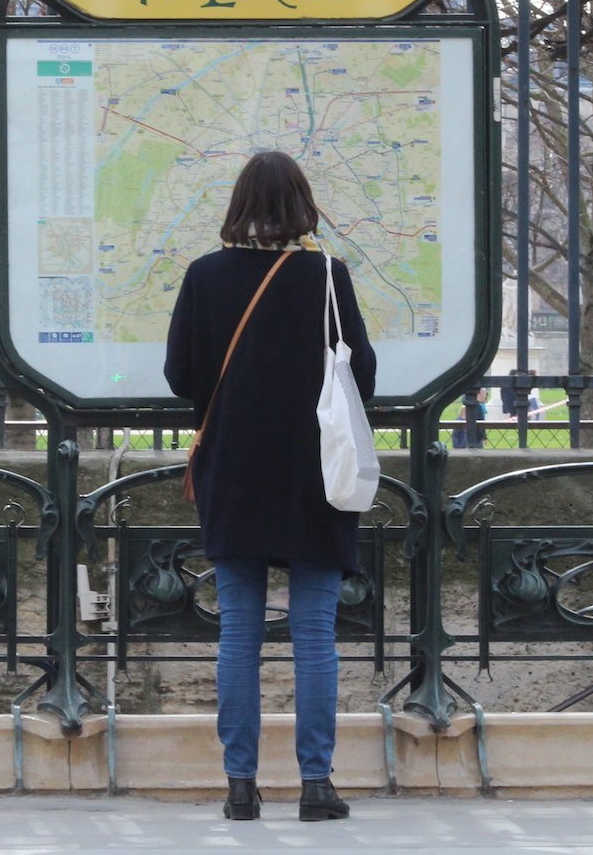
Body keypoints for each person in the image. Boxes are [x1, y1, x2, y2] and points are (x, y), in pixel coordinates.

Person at [163, 150, 375, 824]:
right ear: (302, 205)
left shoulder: (204, 276)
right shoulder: (326, 277)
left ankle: (240, 784)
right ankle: (316, 783)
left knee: (238, 633)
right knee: (314, 632)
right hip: (316, 473)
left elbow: (179, 373)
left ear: (238, 205)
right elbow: (361, 371)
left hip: (234, 471)